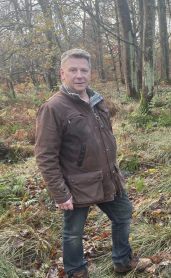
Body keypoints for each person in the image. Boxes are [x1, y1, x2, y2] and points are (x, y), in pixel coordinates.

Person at [35, 49, 151, 278]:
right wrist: (60, 193)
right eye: (73, 70)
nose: (79, 75)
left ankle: (123, 261)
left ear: (90, 73)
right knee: (73, 232)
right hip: (76, 185)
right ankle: (76, 272)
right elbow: (45, 155)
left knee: (123, 214)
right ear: (62, 73)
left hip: (108, 177)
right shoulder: (53, 108)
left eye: (84, 70)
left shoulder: (98, 101)